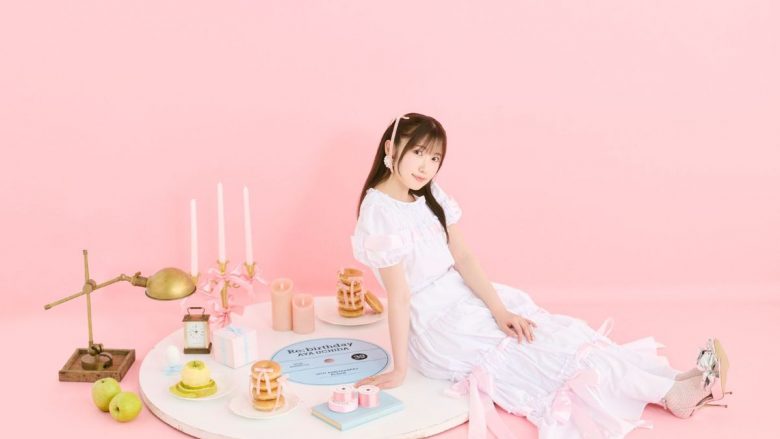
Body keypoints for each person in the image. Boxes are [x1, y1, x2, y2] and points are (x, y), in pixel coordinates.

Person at [350, 113, 732, 438]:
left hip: (462, 297)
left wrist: (498, 309)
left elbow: (463, 257)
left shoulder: (427, 194)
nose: (426, 166)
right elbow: (399, 296)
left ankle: (676, 380)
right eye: (418, 152)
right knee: (547, 354)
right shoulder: (379, 212)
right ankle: (669, 394)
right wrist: (400, 367)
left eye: (435, 158)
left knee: (559, 333)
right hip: (438, 324)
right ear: (390, 148)